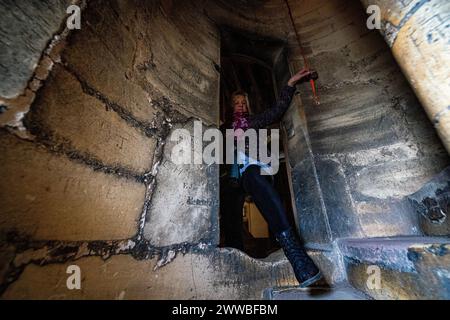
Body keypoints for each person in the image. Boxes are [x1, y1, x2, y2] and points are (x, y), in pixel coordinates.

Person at [221, 68, 322, 288]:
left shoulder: (255, 121)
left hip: (256, 169)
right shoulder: (223, 129)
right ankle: (235, 258)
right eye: (237, 102)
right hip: (233, 175)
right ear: (231, 106)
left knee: (253, 176)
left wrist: (290, 84)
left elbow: (277, 110)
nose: (241, 105)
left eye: (244, 102)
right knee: (228, 201)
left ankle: (293, 251)